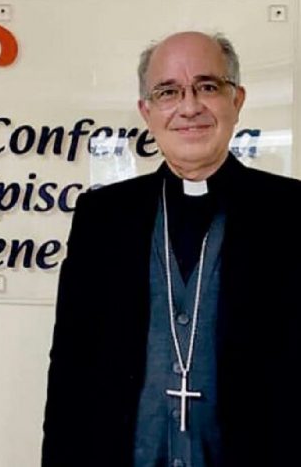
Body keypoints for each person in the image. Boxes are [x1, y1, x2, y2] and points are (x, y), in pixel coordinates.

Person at [41, 31, 301, 467]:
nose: (189, 107)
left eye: (207, 86)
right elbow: (70, 368)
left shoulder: (291, 213)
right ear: (147, 111)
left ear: (236, 100)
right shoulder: (102, 217)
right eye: (168, 92)